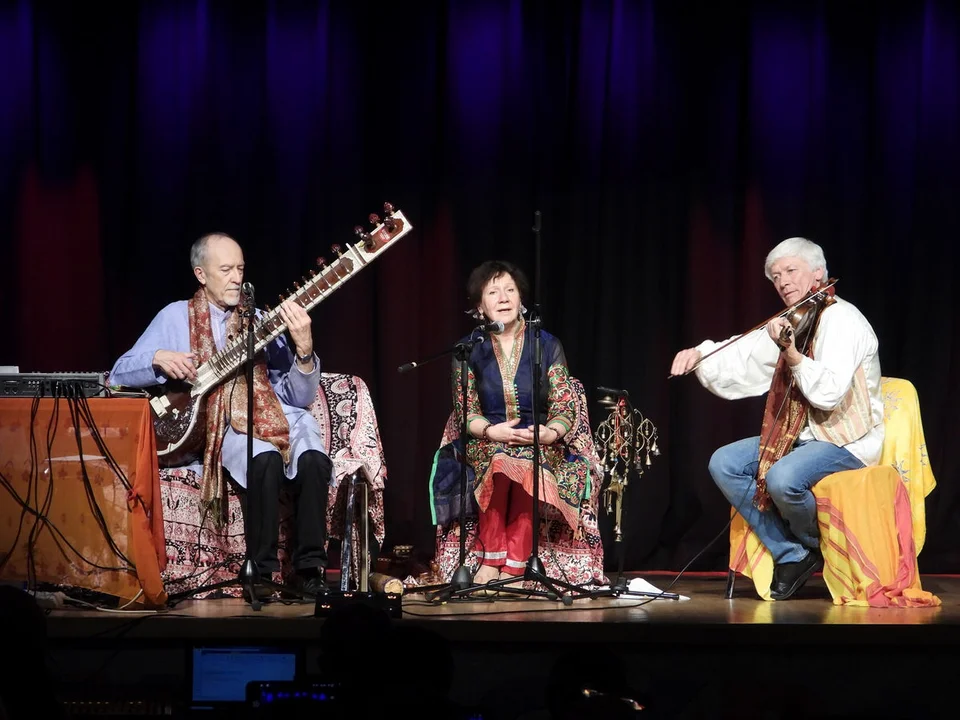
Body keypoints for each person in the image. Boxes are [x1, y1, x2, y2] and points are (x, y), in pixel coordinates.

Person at [109, 232, 331, 600]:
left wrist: (304, 351)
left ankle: (311, 570)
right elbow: (119, 373)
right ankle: (259, 574)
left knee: (311, 456)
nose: (236, 278)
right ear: (201, 274)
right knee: (264, 458)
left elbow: (299, 396)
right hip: (223, 421)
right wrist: (157, 358)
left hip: (273, 411)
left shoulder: (261, 320)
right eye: (225, 269)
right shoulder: (175, 316)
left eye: (240, 269)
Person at [670, 237, 884, 600]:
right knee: (724, 462)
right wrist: (700, 353)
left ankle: (820, 546)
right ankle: (792, 552)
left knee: (783, 478)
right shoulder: (797, 319)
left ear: (818, 272)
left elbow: (829, 392)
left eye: (790, 270)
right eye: (775, 276)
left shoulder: (844, 320)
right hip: (800, 435)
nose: (781, 280)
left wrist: (792, 354)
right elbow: (745, 349)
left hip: (846, 439)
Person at [429, 260, 594, 590]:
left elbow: (564, 401)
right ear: (480, 307)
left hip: (540, 439)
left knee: (525, 461)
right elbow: (466, 410)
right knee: (501, 458)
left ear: (521, 300)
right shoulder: (468, 350)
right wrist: (492, 431)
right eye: (493, 292)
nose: (503, 297)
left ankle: (516, 565)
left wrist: (551, 431)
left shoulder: (546, 344)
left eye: (509, 290)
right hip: (485, 439)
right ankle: (493, 559)